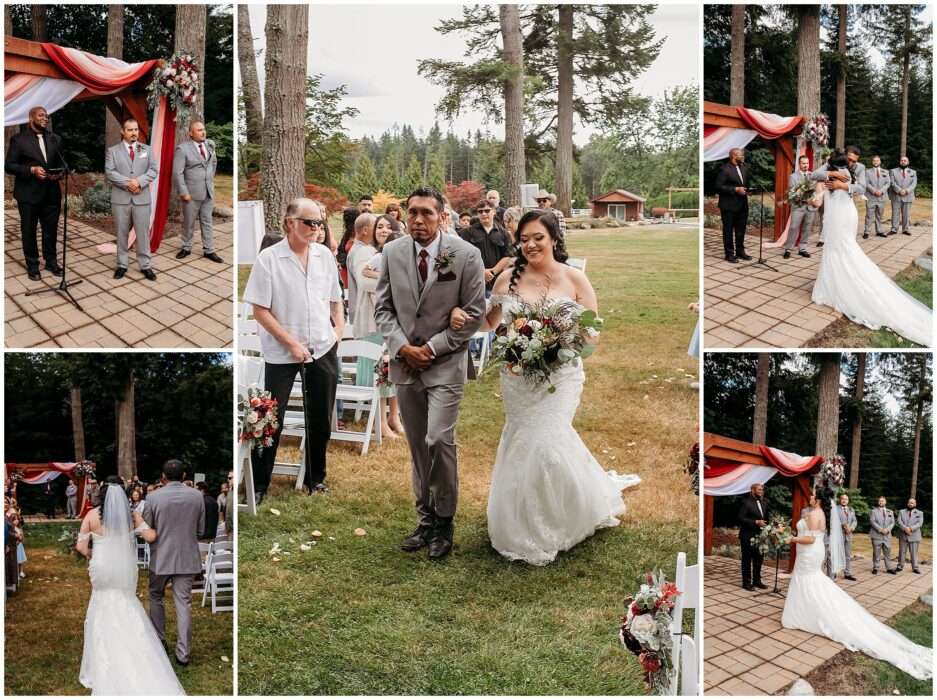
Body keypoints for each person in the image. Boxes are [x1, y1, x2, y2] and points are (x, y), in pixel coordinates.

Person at [454, 210, 639, 565]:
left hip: (562, 376)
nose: (530, 245)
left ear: (554, 238)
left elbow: (592, 335)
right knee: (526, 443)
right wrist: (465, 317)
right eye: (523, 239)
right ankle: (524, 519)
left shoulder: (575, 279)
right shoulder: (506, 280)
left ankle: (561, 517)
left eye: (537, 237)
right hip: (518, 378)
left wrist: (560, 344)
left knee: (546, 442)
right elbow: (490, 325)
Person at [374, 186, 486, 559]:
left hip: (445, 364)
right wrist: (402, 347)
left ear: (442, 216)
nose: (418, 220)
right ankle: (424, 520)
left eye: (427, 213)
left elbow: (474, 314)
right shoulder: (391, 252)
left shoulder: (465, 255)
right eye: (413, 213)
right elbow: (383, 309)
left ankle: (444, 520)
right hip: (405, 364)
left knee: (439, 439)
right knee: (418, 447)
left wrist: (433, 348)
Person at [243, 198, 344, 503]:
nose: (315, 229)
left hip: (322, 347)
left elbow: (335, 301)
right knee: (270, 417)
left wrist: (337, 334)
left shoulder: (325, 256)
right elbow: (260, 310)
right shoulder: (269, 259)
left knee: (320, 417)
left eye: (319, 223)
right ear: (289, 223)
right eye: (309, 222)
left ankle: (316, 478)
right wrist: (291, 344)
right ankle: (259, 483)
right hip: (281, 351)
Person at [782, 486, 931, 681]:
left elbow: (809, 538)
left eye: (813, 494)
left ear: (817, 499)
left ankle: (808, 614)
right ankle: (805, 612)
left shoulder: (815, 513)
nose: (810, 496)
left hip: (809, 552)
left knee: (809, 581)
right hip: (811, 553)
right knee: (811, 581)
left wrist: (790, 538)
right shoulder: (819, 512)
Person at [811, 148, 932, 346]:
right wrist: (831, 174)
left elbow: (860, 188)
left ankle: (848, 284)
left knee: (845, 250)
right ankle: (834, 284)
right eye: (848, 160)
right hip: (832, 216)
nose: (850, 163)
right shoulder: (832, 166)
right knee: (832, 250)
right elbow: (815, 176)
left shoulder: (857, 169)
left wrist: (843, 186)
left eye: (852, 161)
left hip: (844, 214)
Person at [76, 476, 184, 695]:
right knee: (127, 602)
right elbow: (151, 536)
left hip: (102, 567)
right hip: (124, 570)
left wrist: (91, 554)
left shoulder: (90, 516)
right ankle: (136, 649)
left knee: (101, 604)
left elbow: (80, 546)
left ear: (102, 493)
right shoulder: (132, 516)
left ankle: (104, 657)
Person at [143, 459, 205, 669]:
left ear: (163, 477)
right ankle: (183, 653)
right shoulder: (197, 496)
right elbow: (201, 530)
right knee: (183, 603)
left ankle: (159, 640)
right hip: (187, 557)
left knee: (155, 596)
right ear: (185, 476)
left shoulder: (152, 497)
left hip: (161, 557)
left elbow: (147, 530)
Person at [4, 105, 65, 281]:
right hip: (28, 195)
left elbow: (62, 163)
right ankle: (32, 265)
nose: (45, 118)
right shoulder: (19, 140)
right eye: (41, 115)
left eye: (46, 116)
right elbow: (9, 166)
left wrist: (59, 174)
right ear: (31, 118)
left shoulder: (56, 139)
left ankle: (51, 261)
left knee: (50, 230)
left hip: (52, 194)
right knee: (29, 231)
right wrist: (31, 170)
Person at [359, 217, 405, 437]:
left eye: (389, 227)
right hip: (376, 323)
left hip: (396, 323)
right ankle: (380, 420)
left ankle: (393, 415)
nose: (385, 230)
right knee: (380, 371)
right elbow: (365, 275)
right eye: (380, 226)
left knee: (395, 368)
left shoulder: (401, 258)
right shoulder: (374, 256)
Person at [104, 118, 159, 281]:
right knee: (121, 233)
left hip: (141, 198)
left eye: (136, 129)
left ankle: (145, 265)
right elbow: (110, 172)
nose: (134, 133)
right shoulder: (113, 151)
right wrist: (129, 183)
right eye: (130, 130)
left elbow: (154, 170)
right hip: (121, 199)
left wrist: (139, 182)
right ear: (123, 132)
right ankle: (122, 264)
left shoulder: (147, 150)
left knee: (142, 233)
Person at [172, 120, 223, 263]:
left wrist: (209, 180)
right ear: (191, 133)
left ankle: (209, 250)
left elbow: (213, 163)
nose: (203, 132)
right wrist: (184, 192)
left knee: (207, 221)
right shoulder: (182, 149)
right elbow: (177, 173)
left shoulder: (209, 145)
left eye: (203, 129)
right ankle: (186, 247)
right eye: (199, 130)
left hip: (208, 191)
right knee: (189, 222)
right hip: (191, 193)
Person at [460, 199, 512, 292]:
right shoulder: (468, 232)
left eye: (487, 211)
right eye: (480, 211)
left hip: (497, 282)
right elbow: (464, 256)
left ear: (494, 212)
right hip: (475, 282)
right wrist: (481, 271)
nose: (483, 214)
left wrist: (492, 272)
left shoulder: (504, 233)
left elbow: (508, 255)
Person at [714, 148, 751, 263]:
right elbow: (718, 187)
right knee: (728, 230)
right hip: (729, 206)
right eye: (741, 155)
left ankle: (740, 251)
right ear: (734, 156)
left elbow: (745, 184)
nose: (743, 157)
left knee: (741, 230)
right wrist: (735, 189)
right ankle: (729, 254)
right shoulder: (725, 169)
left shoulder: (744, 168)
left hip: (742, 205)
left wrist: (748, 190)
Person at [783, 155, 821, 258]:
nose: (806, 165)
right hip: (798, 207)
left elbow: (816, 190)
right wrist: (804, 199)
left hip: (810, 207)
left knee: (807, 228)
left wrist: (815, 199)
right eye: (803, 163)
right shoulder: (793, 177)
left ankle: (802, 248)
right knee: (793, 227)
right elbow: (792, 193)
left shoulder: (813, 175)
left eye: (807, 163)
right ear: (799, 164)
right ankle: (788, 249)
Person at [346, 213, 377, 327]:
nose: (378, 231)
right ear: (365, 230)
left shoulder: (359, 250)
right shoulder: (362, 252)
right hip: (368, 319)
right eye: (376, 227)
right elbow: (367, 284)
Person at [738, 483, 769, 590]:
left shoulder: (765, 502)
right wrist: (755, 522)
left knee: (758, 559)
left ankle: (757, 581)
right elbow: (740, 519)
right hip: (747, 536)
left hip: (761, 536)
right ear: (752, 490)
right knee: (747, 560)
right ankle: (746, 583)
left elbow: (766, 518)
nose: (761, 491)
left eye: (762, 489)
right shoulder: (746, 502)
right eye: (759, 489)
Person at [869, 495, 897, 575]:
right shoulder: (873, 511)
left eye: (882, 501)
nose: (881, 502)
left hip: (887, 535)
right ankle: (876, 567)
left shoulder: (890, 511)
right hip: (877, 534)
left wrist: (887, 529)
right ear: (878, 502)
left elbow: (892, 522)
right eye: (880, 501)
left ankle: (889, 568)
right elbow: (872, 521)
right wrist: (880, 529)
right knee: (876, 552)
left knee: (887, 552)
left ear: (885, 502)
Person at [889, 156, 916, 236]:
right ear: (900, 162)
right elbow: (892, 183)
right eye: (902, 160)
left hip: (908, 196)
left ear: (908, 162)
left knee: (906, 214)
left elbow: (914, 184)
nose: (903, 161)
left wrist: (906, 190)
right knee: (895, 213)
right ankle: (894, 229)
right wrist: (899, 190)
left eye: (905, 160)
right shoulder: (893, 171)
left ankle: (905, 229)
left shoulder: (913, 172)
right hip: (896, 195)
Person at [864, 155, 890, 238]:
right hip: (871, 196)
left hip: (882, 197)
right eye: (874, 160)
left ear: (880, 161)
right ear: (872, 162)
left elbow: (888, 183)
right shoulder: (867, 172)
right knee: (869, 215)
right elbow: (866, 183)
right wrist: (874, 191)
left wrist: (881, 191)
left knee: (879, 215)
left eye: (877, 160)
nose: (876, 162)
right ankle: (867, 231)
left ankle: (879, 231)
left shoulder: (885, 172)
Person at [896, 498, 923, 574]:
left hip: (914, 535)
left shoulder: (920, 513)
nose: (910, 504)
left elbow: (919, 524)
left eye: (912, 503)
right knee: (902, 552)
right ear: (907, 503)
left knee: (914, 552)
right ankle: (899, 566)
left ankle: (915, 568)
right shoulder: (901, 512)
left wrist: (910, 529)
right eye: (909, 502)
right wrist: (905, 529)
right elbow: (899, 521)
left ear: (915, 504)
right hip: (903, 535)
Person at [836, 492, 857, 581]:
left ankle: (847, 573)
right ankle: (834, 573)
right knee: (836, 554)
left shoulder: (851, 509)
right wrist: (843, 525)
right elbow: (833, 520)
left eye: (846, 499)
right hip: (839, 535)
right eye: (842, 499)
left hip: (849, 535)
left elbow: (855, 521)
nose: (844, 500)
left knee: (847, 555)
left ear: (848, 501)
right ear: (840, 500)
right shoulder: (835, 509)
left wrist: (851, 528)